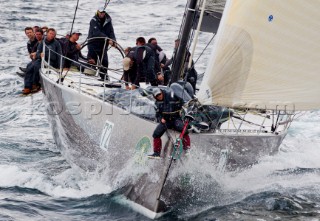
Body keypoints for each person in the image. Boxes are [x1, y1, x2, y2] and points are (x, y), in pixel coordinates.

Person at [148, 87, 190, 158]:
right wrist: (161, 119)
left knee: (184, 130)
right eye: (157, 96)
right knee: (156, 134)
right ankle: (156, 153)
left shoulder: (171, 95)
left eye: (159, 94)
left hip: (176, 119)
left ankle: (187, 149)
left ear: (161, 92)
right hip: (166, 121)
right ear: (155, 97)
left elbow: (183, 102)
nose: (159, 96)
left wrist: (184, 106)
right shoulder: (157, 103)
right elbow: (157, 115)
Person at [87, 6, 116, 81]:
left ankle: (104, 78)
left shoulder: (108, 21)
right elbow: (96, 33)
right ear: (97, 11)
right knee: (93, 61)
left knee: (105, 62)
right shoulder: (93, 20)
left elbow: (111, 32)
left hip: (103, 45)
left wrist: (113, 41)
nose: (102, 14)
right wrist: (107, 39)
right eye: (101, 12)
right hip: (93, 44)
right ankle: (90, 78)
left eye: (103, 12)